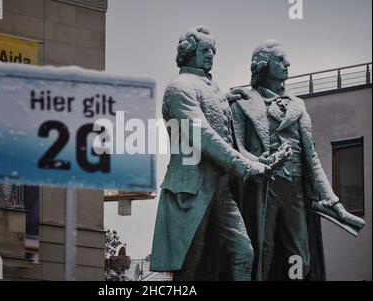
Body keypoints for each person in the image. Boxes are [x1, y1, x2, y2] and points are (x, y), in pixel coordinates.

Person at [230, 40, 364, 280]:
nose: (287, 64)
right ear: (264, 65)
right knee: (263, 251)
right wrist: (261, 163)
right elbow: (237, 149)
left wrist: (332, 200)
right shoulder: (241, 103)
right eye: (280, 60)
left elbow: (311, 157)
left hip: (295, 191)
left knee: (300, 253)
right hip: (264, 188)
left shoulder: (298, 105)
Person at [150, 26, 271, 281]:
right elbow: (204, 136)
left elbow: (226, 137)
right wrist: (246, 167)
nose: (211, 55)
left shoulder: (211, 90)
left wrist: (256, 160)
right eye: (206, 50)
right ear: (190, 52)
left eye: (214, 50)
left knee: (244, 253)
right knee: (190, 262)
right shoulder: (179, 88)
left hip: (220, 189)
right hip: (191, 189)